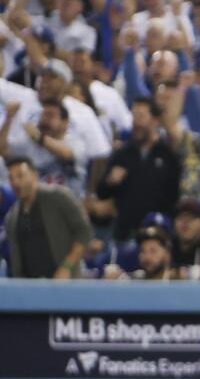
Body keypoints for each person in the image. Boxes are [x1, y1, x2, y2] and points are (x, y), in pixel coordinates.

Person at [94, 97, 182, 241]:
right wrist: (110, 181)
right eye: (134, 116)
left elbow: (175, 196)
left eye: (141, 116)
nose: (136, 122)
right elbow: (101, 192)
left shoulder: (168, 156)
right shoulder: (123, 153)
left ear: (155, 120)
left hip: (157, 234)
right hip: (124, 232)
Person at [3, 156, 91, 279]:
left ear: (34, 175)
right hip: (30, 289)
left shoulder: (59, 196)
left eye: (20, 176)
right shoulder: (11, 217)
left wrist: (66, 266)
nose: (16, 182)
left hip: (65, 284)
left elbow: (84, 232)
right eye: (11, 178)